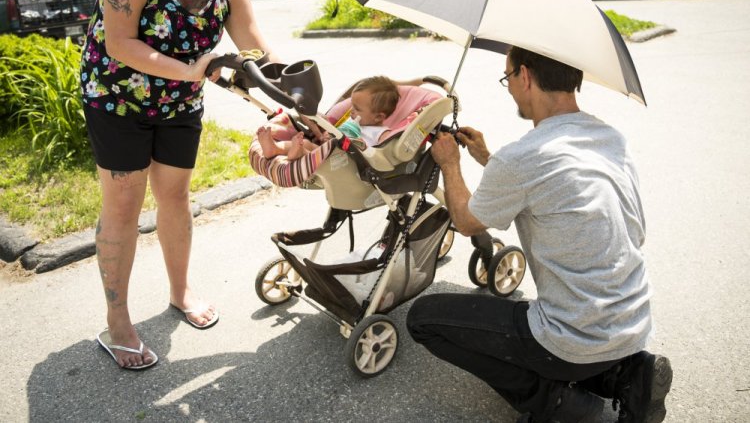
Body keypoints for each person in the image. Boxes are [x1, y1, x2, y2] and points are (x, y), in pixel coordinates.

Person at [406, 46, 672, 422]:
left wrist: (450, 162)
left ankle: (557, 403)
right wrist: (487, 158)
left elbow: (466, 221)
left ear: (525, 76)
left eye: (508, 77)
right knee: (577, 339)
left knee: (424, 319)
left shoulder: (523, 157)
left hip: (572, 338)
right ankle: (627, 375)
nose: (509, 87)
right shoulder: (610, 137)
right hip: (633, 323)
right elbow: (566, 196)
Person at [80, 0, 278, 370]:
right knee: (123, 205)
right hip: (117, 99)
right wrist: (193, 69)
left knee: (174, 195)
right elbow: (119, 43)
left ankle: (180, 290)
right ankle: (118, 320)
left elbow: (257, 52)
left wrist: (288, 102)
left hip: (178, 105)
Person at [256, 75, 400, 160]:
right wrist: (328, 135)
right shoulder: (353, 121)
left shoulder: (382, 134)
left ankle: (300, 153)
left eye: (357, 109)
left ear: (378, 117)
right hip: (328, 152)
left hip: (348, 165)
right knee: (306, 144)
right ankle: (275, 148)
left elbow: (380, 155)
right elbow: (336, 132)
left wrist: (358, 143)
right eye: (352, 106)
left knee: (312, 153)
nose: (352, 111)